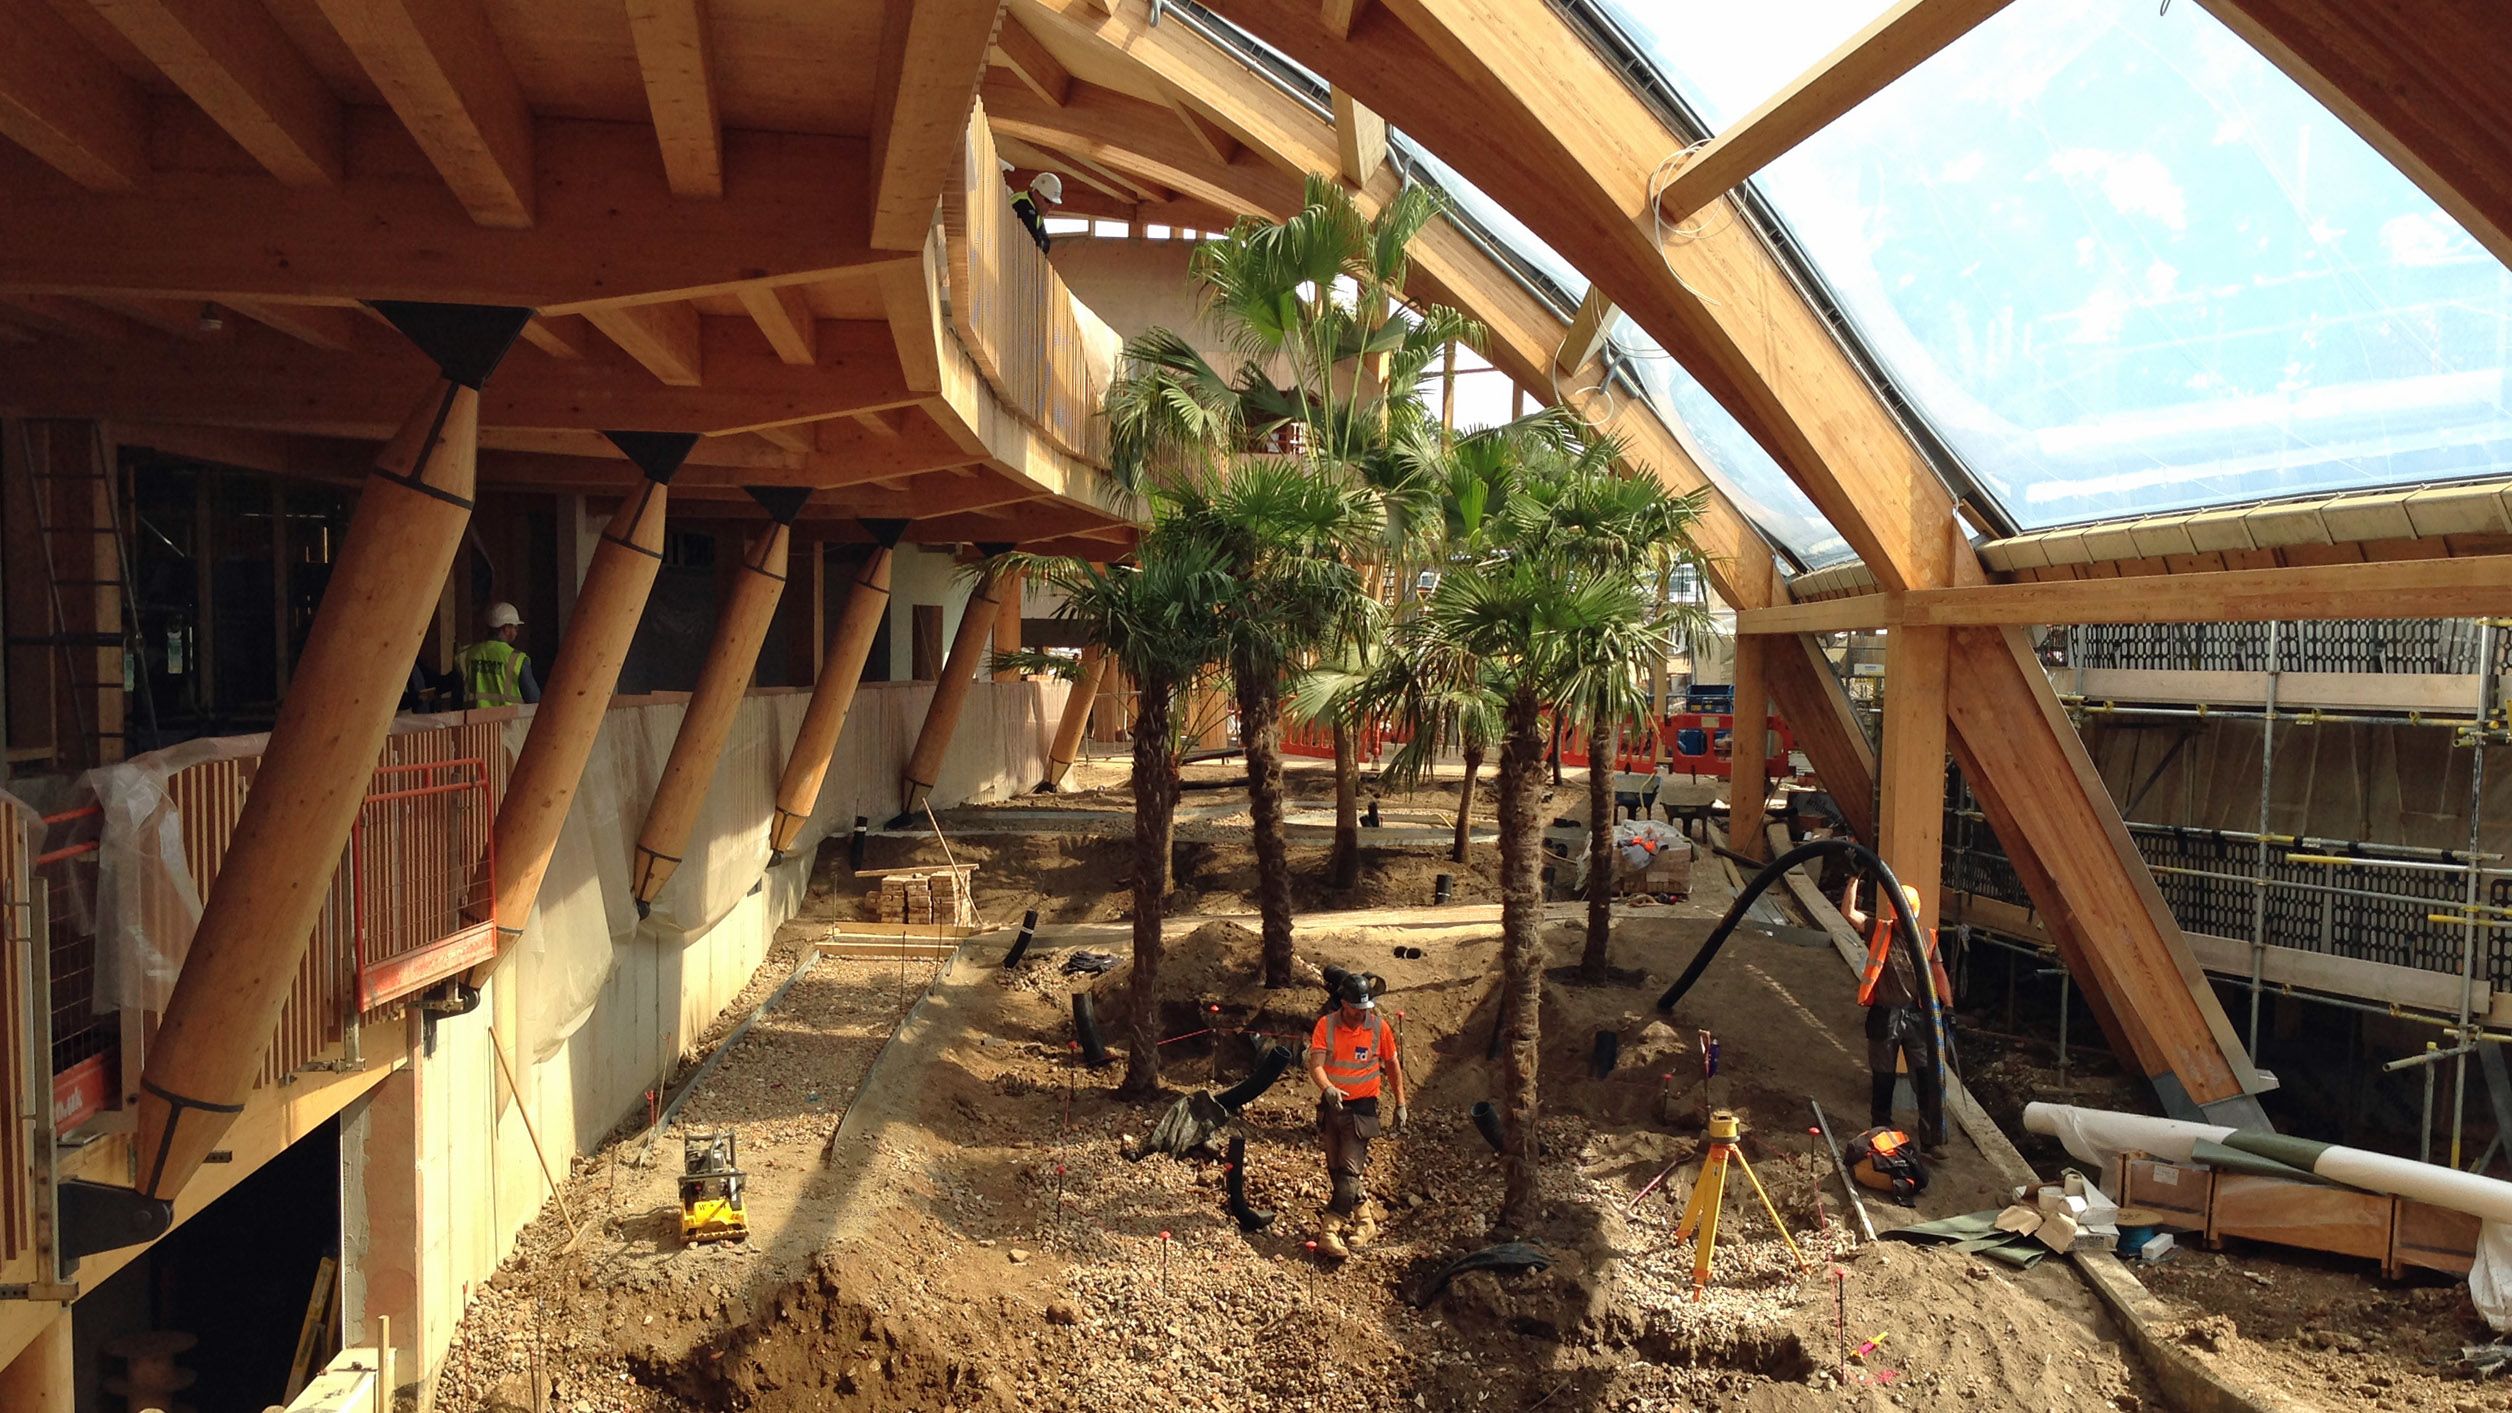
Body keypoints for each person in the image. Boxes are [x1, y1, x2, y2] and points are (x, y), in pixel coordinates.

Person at [1840, 879, 1952, 1148]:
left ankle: (1932, 1138)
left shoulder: (1927, 937)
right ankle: (1881, 1133)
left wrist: (1948, 1007)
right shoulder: (1879, 930)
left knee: (1927, 1078)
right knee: (1883, 1078)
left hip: (1915, 1017)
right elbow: (1849, 913)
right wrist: (1854, 879)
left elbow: (1938, 973)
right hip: (1885, 1015)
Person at [1306, 971, 1406, 1258]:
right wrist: (1327, 1088)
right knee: (1337, 1171)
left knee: (1350, 1172)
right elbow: (1316, 1065)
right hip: (1332, 1108)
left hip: (1362, 1110)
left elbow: (1392, 1065)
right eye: (1355, 1009)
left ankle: (1330, 1230)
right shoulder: (1325, 1026)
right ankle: (1365, 1222)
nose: (1360, 1014)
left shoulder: (1379, 1028)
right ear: (1343, 1003)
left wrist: (1400, 1103)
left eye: (1365, 1009)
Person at [455, 601, 542, 709]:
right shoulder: (517, 659)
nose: (516, 632)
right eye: (515, 627)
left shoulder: (466, 655)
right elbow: (534, 699)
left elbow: (457, 696)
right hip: (508, 723)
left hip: (474, 723)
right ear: (506, 628)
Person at [1008, 167, 1063, 253]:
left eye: (1053, 203)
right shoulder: (1022, 204)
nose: (1051, 207)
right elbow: (1033, 241)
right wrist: (1040, 242)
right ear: (1036, 193)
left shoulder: (1037, 214)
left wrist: (1040, 243)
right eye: (1048, 201)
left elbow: (1046, 245)